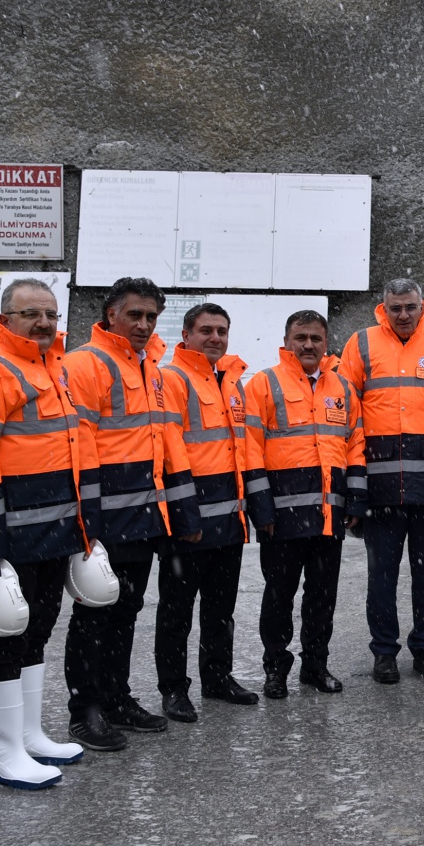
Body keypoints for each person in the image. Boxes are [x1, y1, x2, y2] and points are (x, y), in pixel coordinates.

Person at [0, 280, 87, 789]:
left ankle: (29, 735)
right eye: (30, 313)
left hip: (53, 532)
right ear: (4, 318)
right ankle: (2, 753)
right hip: (12, 536)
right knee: (6, 638)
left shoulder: (54, 367)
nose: (43, 323)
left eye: (50, 314)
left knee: (38, 633)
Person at [61, 277, 201, 750]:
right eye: (134, 315)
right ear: (110, 314)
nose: (143, 324)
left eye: (150, 316)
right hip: (105, 520)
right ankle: (85, 711)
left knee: (125, 612)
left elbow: (168, 443)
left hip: (145, 517)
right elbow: (77, 446)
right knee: (94, 616)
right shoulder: (85, 363)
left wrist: (181, 511)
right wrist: (88, 522)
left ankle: (117, 698)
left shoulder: (153, 369)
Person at [338, 279, 424, 683]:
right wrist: (355, 487)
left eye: (410, 307)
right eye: (395, 308)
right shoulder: (360, 345)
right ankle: (384, 653)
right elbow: (348, 418)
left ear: (422, 306)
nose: (403, 315)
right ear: (383, 308)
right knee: (382, 577)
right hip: (380, 490)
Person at [245, 310, 367, 696]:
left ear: (326, 342)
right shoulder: (264, 385)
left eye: (315, 338)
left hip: (328, 517)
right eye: (301, 338)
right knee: (279, 596)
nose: (309, 345)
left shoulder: (343, 388)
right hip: (281, 519)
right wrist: (261, 508)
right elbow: (251, 450)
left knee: (322, 597)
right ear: (287, 342)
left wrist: (355, 501)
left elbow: (356, 447)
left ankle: (316, 666)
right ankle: (276, 668)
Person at [154, 303, 260, 722]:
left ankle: (218, 679)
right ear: (186, 334)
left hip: (228, 522)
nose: (215, 338)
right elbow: (170, 449)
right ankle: (174, 689)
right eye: (206, 331)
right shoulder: (173, 378)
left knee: (220, 610)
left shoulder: (231, 382)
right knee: (176, 612)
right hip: (190, 521)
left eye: (222, 331)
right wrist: (185, 516)